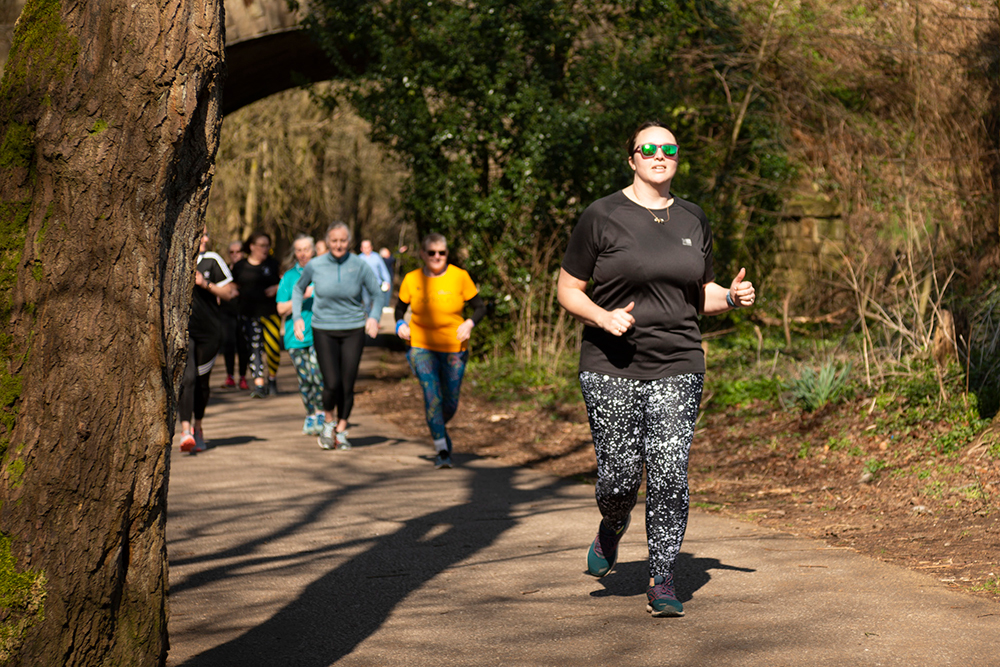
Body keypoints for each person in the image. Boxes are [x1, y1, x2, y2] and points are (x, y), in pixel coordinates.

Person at [556, 121, 755, 618]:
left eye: (669, 148)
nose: (659, 155)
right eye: (649, 149)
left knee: (669, 472)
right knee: (619, 478)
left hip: (679, 361)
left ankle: (662, 576)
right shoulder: (601, 216)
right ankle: (612, 524)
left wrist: (730, 297)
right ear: (632, 159)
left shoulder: (693, 218)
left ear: (677, 158)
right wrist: (603, 316)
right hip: (610, 363)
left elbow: (699, 293)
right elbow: (567, 289)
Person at [394, 233, 486, 469]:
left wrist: (469, 323)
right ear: (423, 254)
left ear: (447, 255)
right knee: (432, 395)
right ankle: (442, 450)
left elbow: (480, 307)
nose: (437, 257)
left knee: (450, 402)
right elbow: (399, 309)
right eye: (431, 252)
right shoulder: (411, 279)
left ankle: (437, 428)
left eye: (441, 253)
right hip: (420, 346)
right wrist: (400, 325)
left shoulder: (460, 277)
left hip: (454, 347)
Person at [292, 222, 384, 450]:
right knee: (331, 382)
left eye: (343, 240)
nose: (338, 245)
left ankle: (341, 430)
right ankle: (328, 422)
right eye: (334, 240)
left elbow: (377, 293)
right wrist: (297, 317)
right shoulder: (316, 264)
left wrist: (373, 317)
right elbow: (297, 289)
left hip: (353, 329)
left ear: (349, 242)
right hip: (324, 329)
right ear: (328, 241)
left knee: (347, 383)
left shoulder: (359, 265)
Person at [179, 230, 235, 453]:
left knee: (202, 382)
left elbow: (230, 293)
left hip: (210, 333)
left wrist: (205, 284)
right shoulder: (178, 258)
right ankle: (185, 431)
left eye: (206, 235)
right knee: (188, 379)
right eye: (200, 234)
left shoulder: (212, 260)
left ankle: (199, 428)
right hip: (185, 332)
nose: (205, 239)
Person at [276, 234, 326, 436]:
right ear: (294, 252)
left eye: (307, 249)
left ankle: (322, 413)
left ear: (313, 250)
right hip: (294, 337)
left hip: (319, 334)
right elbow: (280, 309)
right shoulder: (289, 277)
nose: (303, 254)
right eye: (299, 250)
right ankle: (310, 414)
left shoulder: (323, 272)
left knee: (319, 375)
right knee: (305, 378)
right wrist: (303, 294)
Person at [231, 231, 282, 399]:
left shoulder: (273, 264)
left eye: (267, 245)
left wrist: (277, 288)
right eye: (261, 245)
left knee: (273, 348)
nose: (265, 249)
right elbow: (232, 285)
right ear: (251, 246)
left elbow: (285, 282)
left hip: (270, 314)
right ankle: (259, 384)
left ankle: (272, 379)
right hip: (248, 314)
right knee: (254, 348)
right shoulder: (240, 266)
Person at [220, 239, 248, 389]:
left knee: (243, 344)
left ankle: (243, 377)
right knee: (228, 343)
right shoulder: (224, 269)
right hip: (226, 312)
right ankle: (229, 376)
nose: (235, 255)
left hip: (243, 311)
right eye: (232, 252)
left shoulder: (247, 268)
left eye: (238, 252)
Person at [359, 239, 392, 318]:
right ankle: (371, 320)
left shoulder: (377, 257)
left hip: (377, 285)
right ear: (361, 248)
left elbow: (383, 270)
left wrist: (387, 281)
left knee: (378, 303)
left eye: (368, 247)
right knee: (367, 304)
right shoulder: (359, 259)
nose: (366, 249)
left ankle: (376, 320)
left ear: (371, 247)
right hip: (364, 286)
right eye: (364, 247)